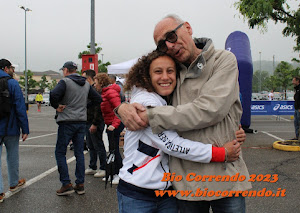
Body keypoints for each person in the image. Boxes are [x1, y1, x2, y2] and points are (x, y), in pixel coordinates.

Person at [117, 14, 251, 212]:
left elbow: (209, 109)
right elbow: (144, 92)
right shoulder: (172, 71)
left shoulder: (223, 60)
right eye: (162, 44)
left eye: (171, 36)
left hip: (226, 175)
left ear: (187, 27)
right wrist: (122, 108)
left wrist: (151, 116)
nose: (169, 46)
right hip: (187, 183)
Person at [50, 61, 102, 196]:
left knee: (60, 152)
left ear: (66, 70)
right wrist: (84, 106)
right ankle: (80, 184)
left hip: (66, 121)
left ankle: (66, 184)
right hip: (81, 121)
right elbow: (98, 99)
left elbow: (53, 95)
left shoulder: (65, 82)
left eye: (63, 70)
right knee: (79, 153)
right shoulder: (85, 83)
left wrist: (57, 105)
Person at [0, 59, 29, 203]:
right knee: (12, 156)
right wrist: (25, 128)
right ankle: (13, 183)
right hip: (10, 128)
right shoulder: (12, 83)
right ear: (6, 68)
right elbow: (20, 108)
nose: (12, 70)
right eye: (11, 67)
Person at [94, 73, 124, 184]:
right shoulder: (105, 92)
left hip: (114, 125)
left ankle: (119, 174)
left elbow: (119, 109)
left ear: (101, 83)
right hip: (110, 124)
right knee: (112, 149)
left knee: (114, 149)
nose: (95, 85)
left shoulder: (110, 92)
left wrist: (114, 125)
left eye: (96, 82)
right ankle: (114, 173)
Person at [82, 70, 107, 178]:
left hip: (94, 122)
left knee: (98, 145)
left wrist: (95, 123)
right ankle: (92, 166)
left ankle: (103, 167)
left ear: (88, 79)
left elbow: (98, 109)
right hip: (88, 121)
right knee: (90, 145)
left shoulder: (94, 91)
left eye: (84, 78)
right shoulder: (89, 90)